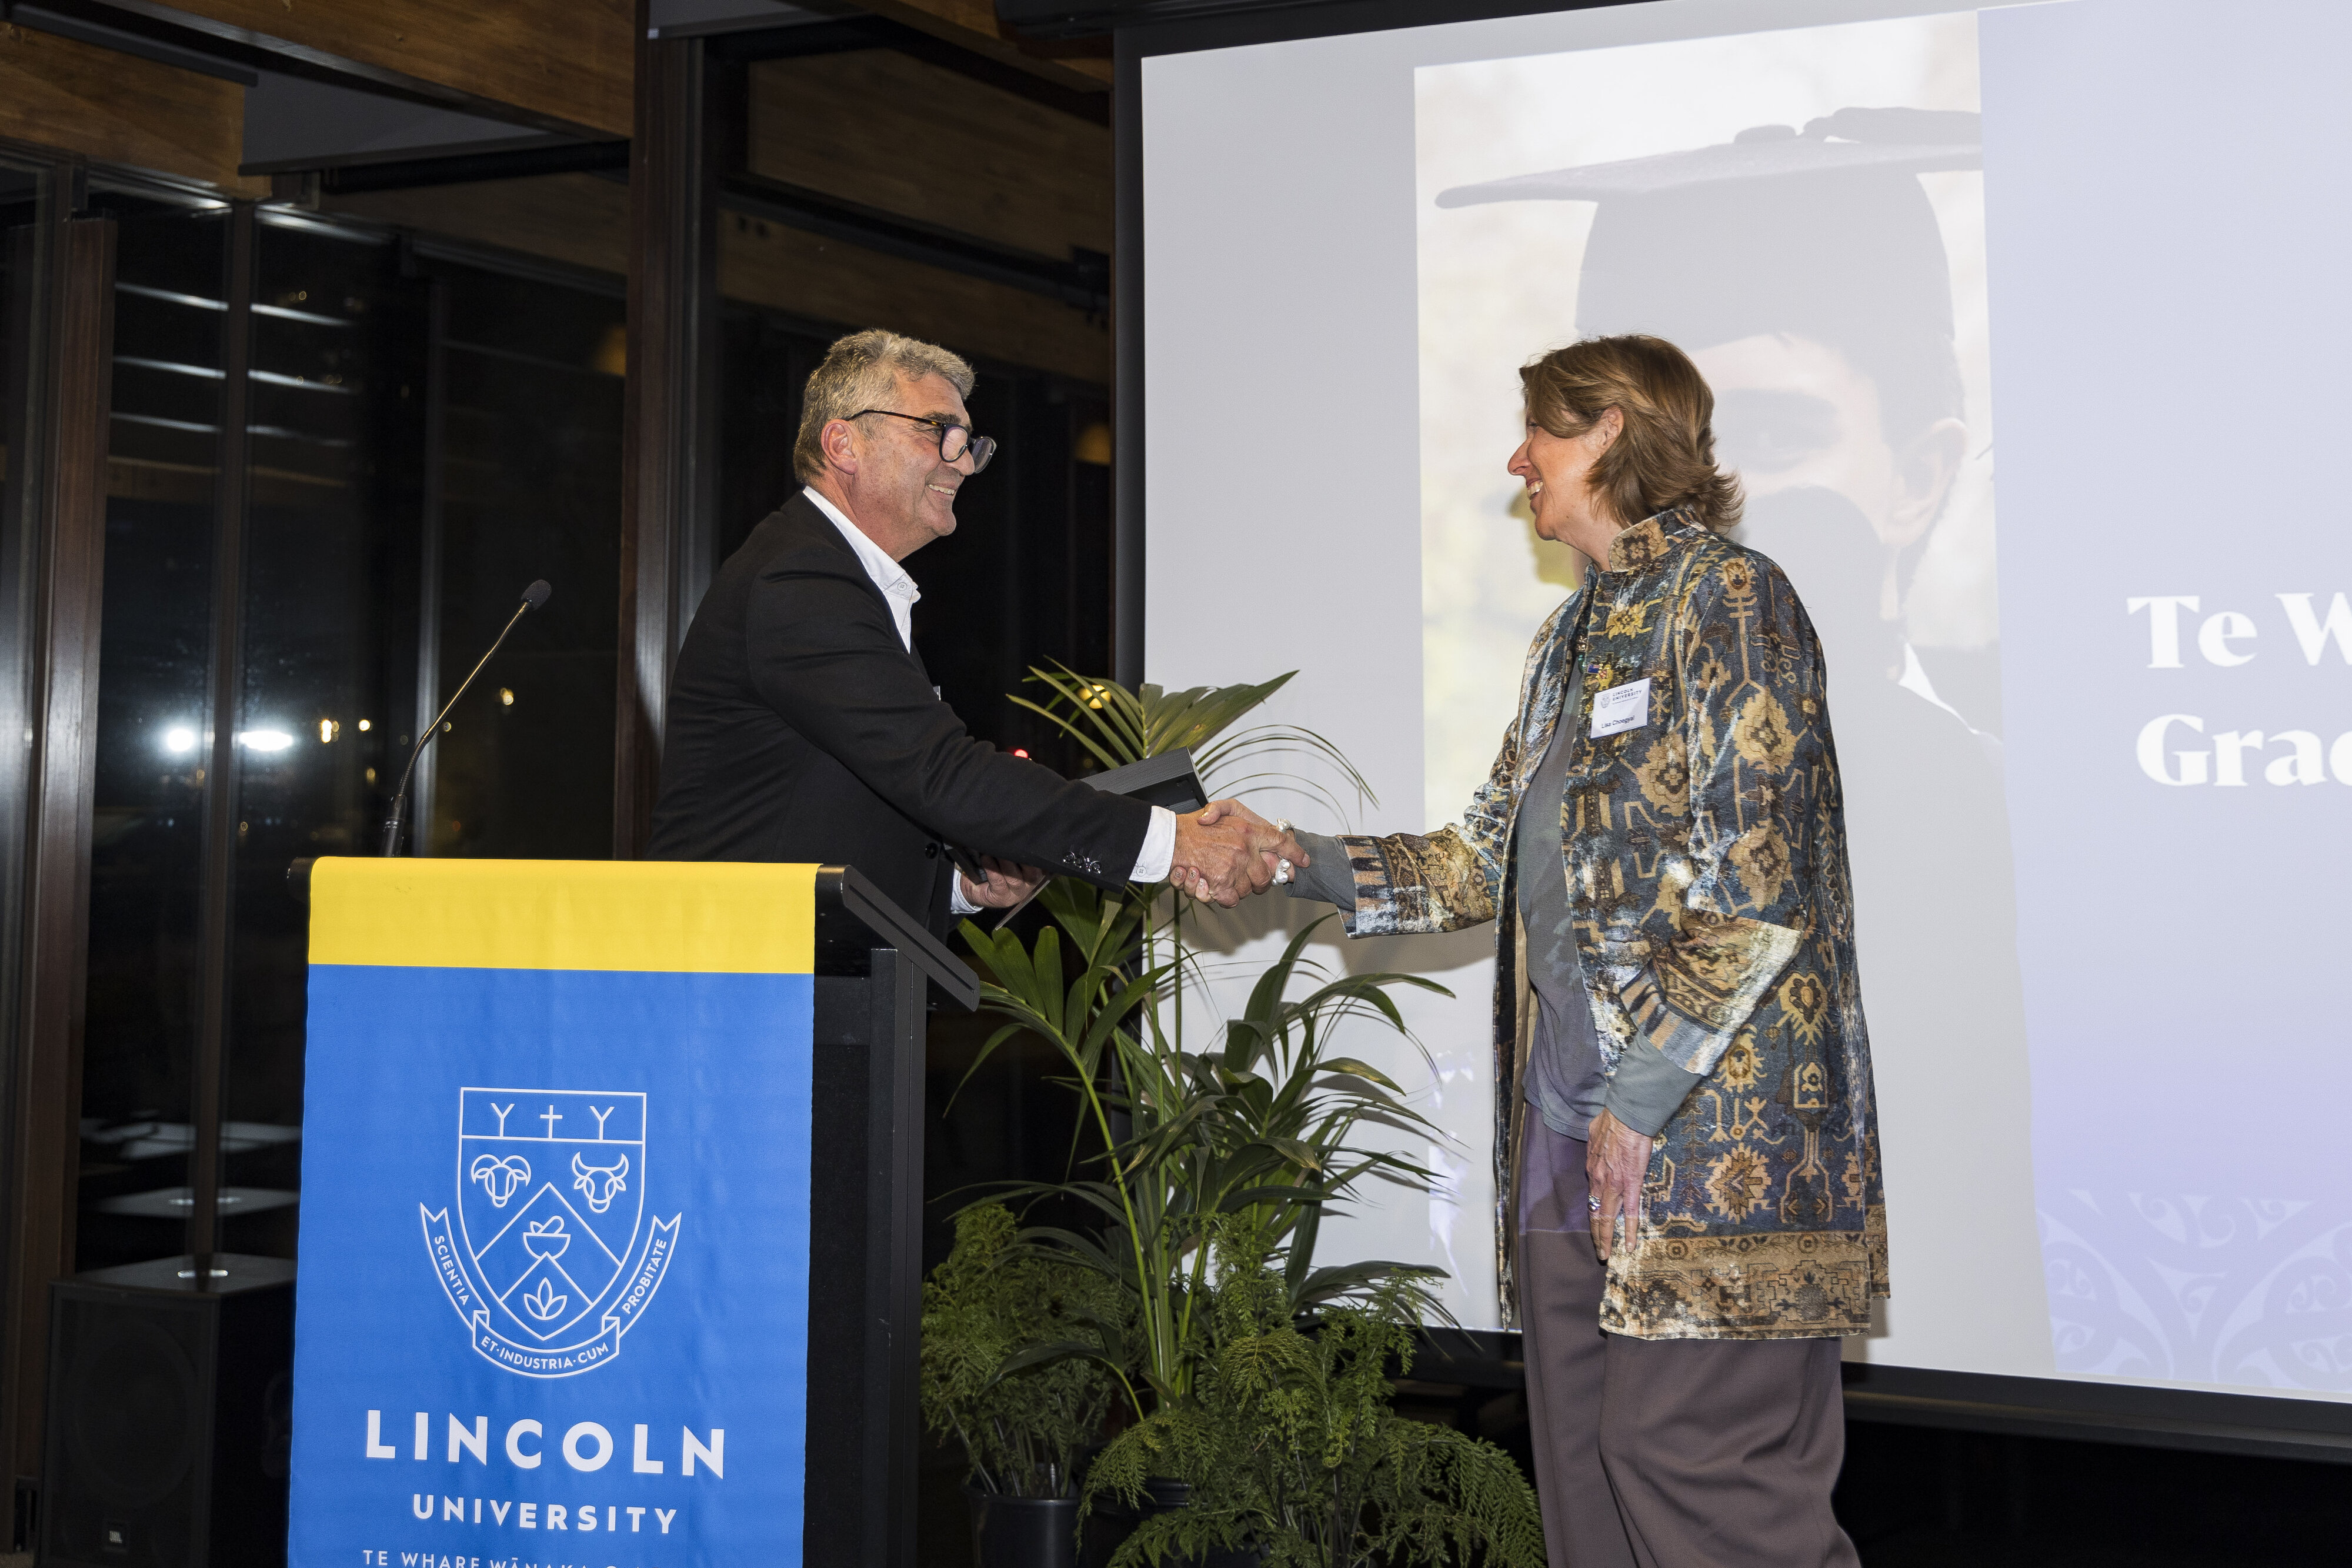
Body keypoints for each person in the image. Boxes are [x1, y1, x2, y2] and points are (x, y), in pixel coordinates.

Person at [1272, 335, 1881, 1567]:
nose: (1519, 459)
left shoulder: (1730, 596)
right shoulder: (1569, 637)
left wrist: (1642, 1096)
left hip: (1706, 1148)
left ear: (1607, 429)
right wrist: (1287, 854)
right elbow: (1476, 857)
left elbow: (1758, 879)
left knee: (1702, 1487)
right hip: (1565, 1138)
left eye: (1539, 432)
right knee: (1587, 1493)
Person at [649, 328, 1303, 926]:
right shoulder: (798, 581)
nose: (962, 463)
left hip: (794, 984)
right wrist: (1174, 840)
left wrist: (960, 888)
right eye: (939, 431)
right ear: (843, 442)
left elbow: (837, 812)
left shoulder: (835, 577)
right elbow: (941, 771)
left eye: (969, 444)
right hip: (738, 994)